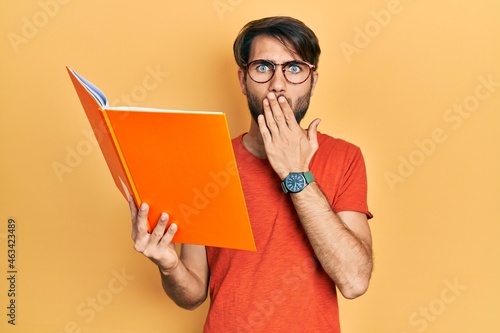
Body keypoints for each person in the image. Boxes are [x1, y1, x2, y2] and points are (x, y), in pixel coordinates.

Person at [130, 16, 373, 332]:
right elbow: (192, 294)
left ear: (313, 80)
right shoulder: (209, 162)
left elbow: (354, 281)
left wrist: (294, 171)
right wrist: (169, 265)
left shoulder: (345, 157)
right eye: (263, 67)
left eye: (294, 68)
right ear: (243, 80)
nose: (278, 84)